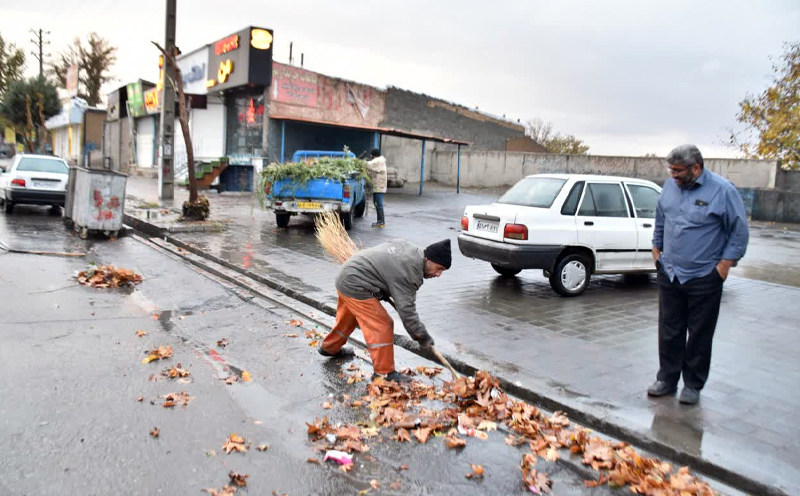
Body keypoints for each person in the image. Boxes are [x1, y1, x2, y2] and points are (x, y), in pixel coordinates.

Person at [648, 144, 749, 405]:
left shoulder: (723, 191)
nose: (673, 176)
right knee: (669, 330)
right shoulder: (670, 187)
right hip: (670, 272)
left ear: (696, 168)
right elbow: (661, 218)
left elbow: (739, 232)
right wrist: (657, 251)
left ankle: (693, 385)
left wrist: (724, 266)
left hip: (704, 276)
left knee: (700, 333)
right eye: (671, 170)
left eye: (679, 171)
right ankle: (667, 380)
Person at [318, 239, 452, 382]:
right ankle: (384, 373)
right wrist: (421, 335)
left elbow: (389, 252)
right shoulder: (409, 273)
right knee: (382, 324)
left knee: (348, 319)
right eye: (439, 269)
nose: (438, 275)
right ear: (428, 259)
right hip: (356, 284)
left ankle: (329, 348)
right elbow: (407, 312)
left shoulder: (411, 250)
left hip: (347, 275)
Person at [366, 148, 387, 228]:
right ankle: (380, 221)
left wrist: (360, 163)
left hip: (379, 186)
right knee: (376, 203)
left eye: (371, 155)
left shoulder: (378, 160)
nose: (371, 157)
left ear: (373, 155)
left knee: (379, 204)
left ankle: (381, 221)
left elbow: (369, 165)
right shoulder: (379, 160)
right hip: (377, 185)